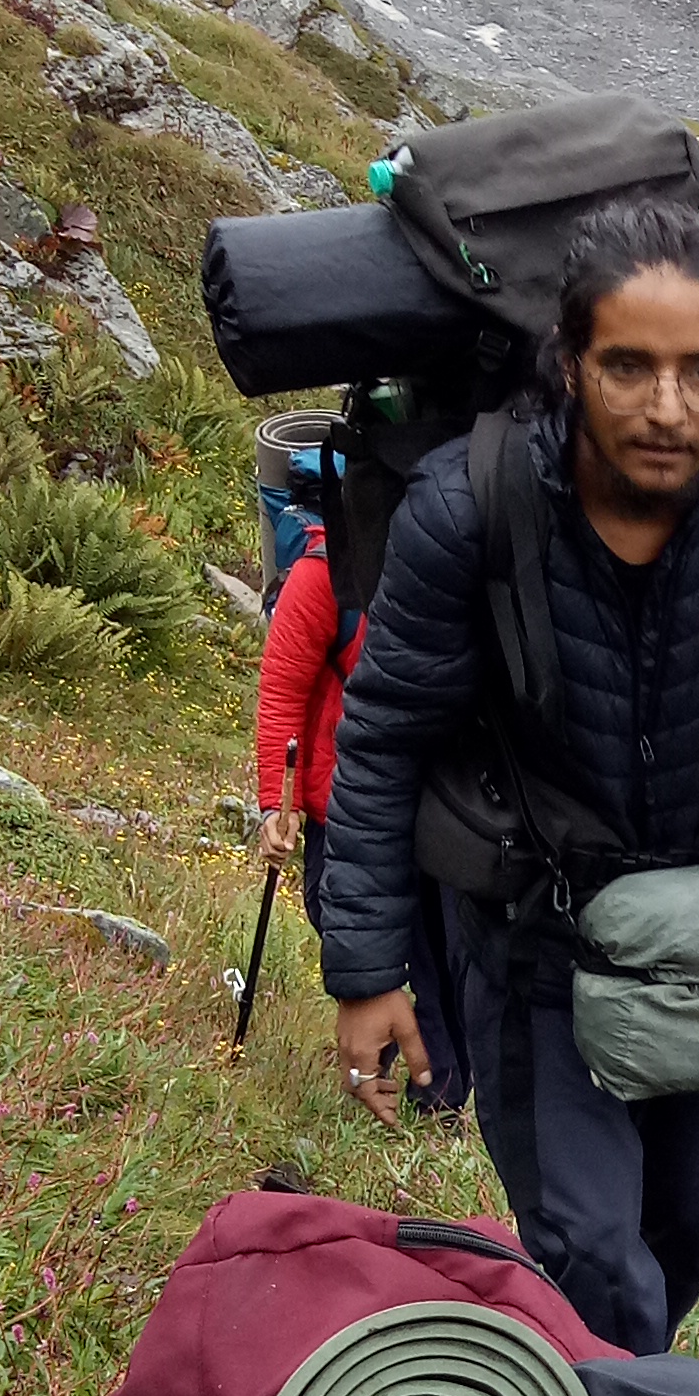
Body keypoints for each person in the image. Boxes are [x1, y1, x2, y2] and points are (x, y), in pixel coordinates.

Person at [316, 198, 699, 1352]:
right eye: (629, 367)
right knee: (591, 1247)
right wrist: (366, 972)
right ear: (569, 364)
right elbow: (383, 735)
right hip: (536, 940)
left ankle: (608, 1392)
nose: (668, 408)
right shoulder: (472, 510)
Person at [250, 447, 469, 1114]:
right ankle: (391, 1048)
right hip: (339, 806)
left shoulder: (442, 577)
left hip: (430, 802)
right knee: (337, 915)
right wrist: (273, 807)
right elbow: (281, 694)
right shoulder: (321, 578)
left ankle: (438, 1101)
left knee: (439, 951)